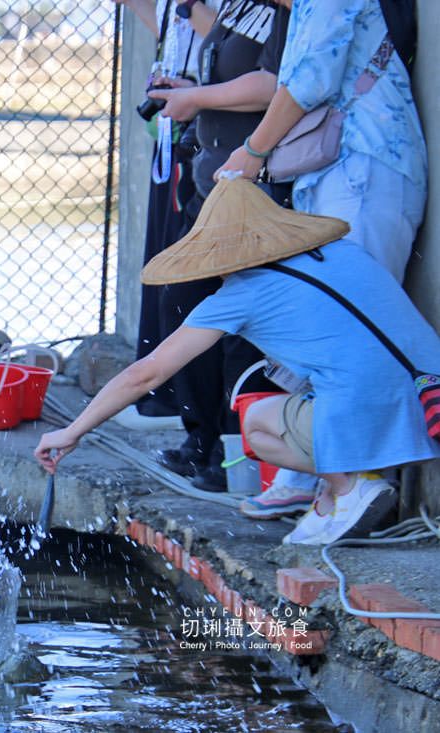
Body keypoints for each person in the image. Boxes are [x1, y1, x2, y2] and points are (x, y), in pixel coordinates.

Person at [33, 178, 440, 545]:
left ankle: (351, 487)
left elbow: (147, 374)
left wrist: (73, 431)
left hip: (377, 415)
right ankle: (334, 496)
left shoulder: (241, 294)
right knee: (334, 385)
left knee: (257, 423)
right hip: (429, 406)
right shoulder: (345, 253)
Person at [215, 0, 426, 519]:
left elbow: (310, 79)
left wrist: (252, 153)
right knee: (326, 324)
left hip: (365, 169)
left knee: (351, 329)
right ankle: (315, 473)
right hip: (339, 172)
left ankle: (356, 486)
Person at [138, 0, 291, 490]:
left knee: (239, 327)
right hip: (212, 188)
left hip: (256, 192)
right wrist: (191, 91)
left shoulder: (287, 12)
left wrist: (199, 98)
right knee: (181, 299)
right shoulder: (237, 9)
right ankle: (201, 438)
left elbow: (274, 85)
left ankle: (237, 452)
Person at [112, 0, 218, 429]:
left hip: (205, 137)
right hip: (172, 135)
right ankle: (160, 391)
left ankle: (178, 399)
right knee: (161, 261)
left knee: (182, 273)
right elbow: (171, 29)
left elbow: (224, 37)